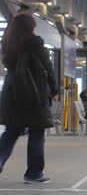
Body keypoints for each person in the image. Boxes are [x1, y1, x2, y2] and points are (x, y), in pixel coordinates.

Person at [0, 13, 57, 183]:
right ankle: (33, 173)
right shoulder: (36, 43)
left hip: (11, 94)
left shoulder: (8, 44)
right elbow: (48, 68)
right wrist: (53, 90)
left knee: (11, 132)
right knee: (37, 133)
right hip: (33, 95)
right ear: (30, 27)